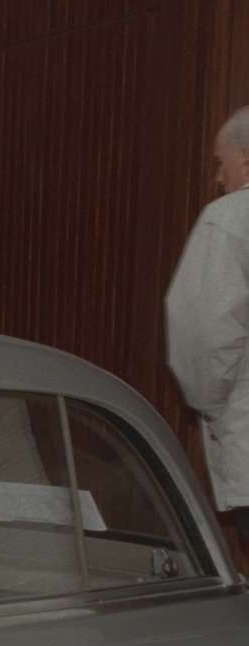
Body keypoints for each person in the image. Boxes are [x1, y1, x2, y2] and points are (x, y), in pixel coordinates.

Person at [165, 105, 249, 550]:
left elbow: (203, 333)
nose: (219, 177)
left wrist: (211, 406)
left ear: (246, 160)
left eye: (222, 162)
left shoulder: (229, 219)